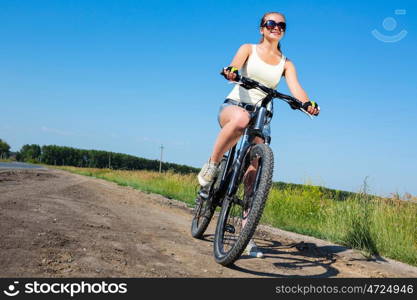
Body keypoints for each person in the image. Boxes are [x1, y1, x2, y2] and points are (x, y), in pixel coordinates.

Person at [198, 12, 320, 257]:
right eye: (271, 24)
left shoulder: (286, 63)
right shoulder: (248, 48)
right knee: (242, 119)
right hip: (234, 106)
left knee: (254, 173)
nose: (276, 27)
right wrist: (232, 71)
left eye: (281, 25)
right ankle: (212, 165)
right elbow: (234, 64)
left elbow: (296, 88)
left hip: (262, 115)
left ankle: (246, 234)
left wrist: (307, 104)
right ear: (262, 28)